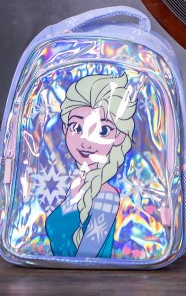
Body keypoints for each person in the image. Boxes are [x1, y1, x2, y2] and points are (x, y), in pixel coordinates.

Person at [45, 73, 137, 258]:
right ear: (65, 128)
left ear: (119, 136)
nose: (86, 141)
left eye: (103, 130)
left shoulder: (107, 197)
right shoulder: (77, 186)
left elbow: (88, 256)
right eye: (77, 127)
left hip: (86, 275)